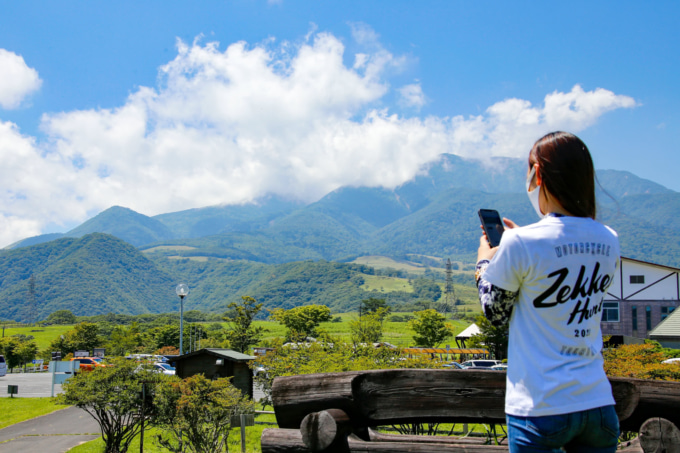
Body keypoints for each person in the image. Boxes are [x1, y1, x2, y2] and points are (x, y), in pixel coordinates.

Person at [475, 131, 620, 452]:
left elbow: (495, 311)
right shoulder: (609, 239)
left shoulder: (521, 243)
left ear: (537, 173)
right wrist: (518, 244)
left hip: (540, 406)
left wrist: (485, 262)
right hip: (597, 402)